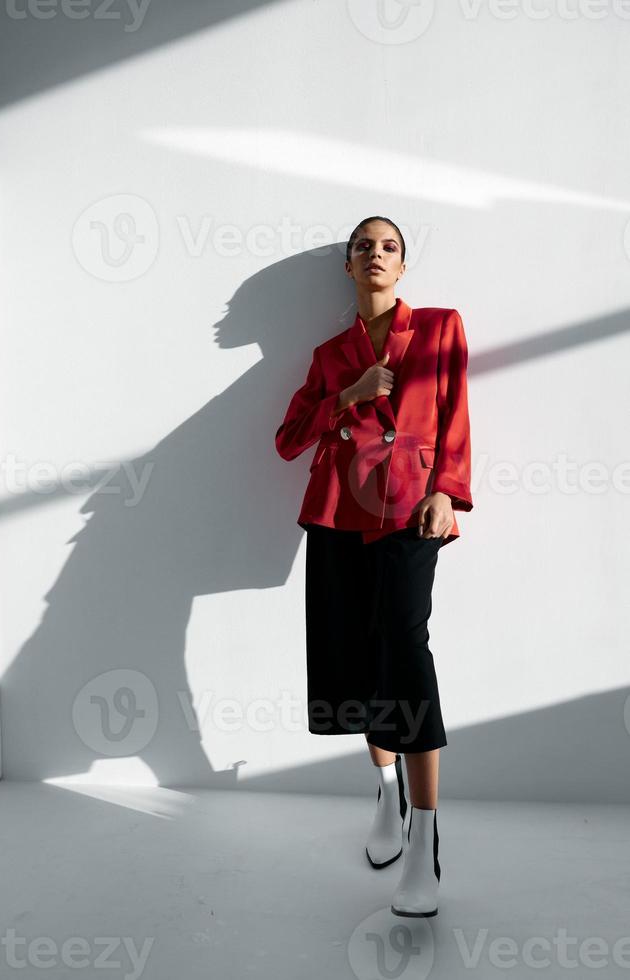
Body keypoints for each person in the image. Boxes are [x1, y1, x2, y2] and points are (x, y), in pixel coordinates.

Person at [274, 216, 473, 917]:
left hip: (413, 506)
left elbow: (454, 415)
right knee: (357, 655)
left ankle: (425, 839)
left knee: (405, 646)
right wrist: (349, 396)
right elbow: (288, 441)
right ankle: (385, 796)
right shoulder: (331, 355)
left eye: (389, 246)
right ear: (349, 268)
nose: (376, 255)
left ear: (403, 266)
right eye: (364, 247)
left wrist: (446, 490)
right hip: (338, 512)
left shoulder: (442, 328)